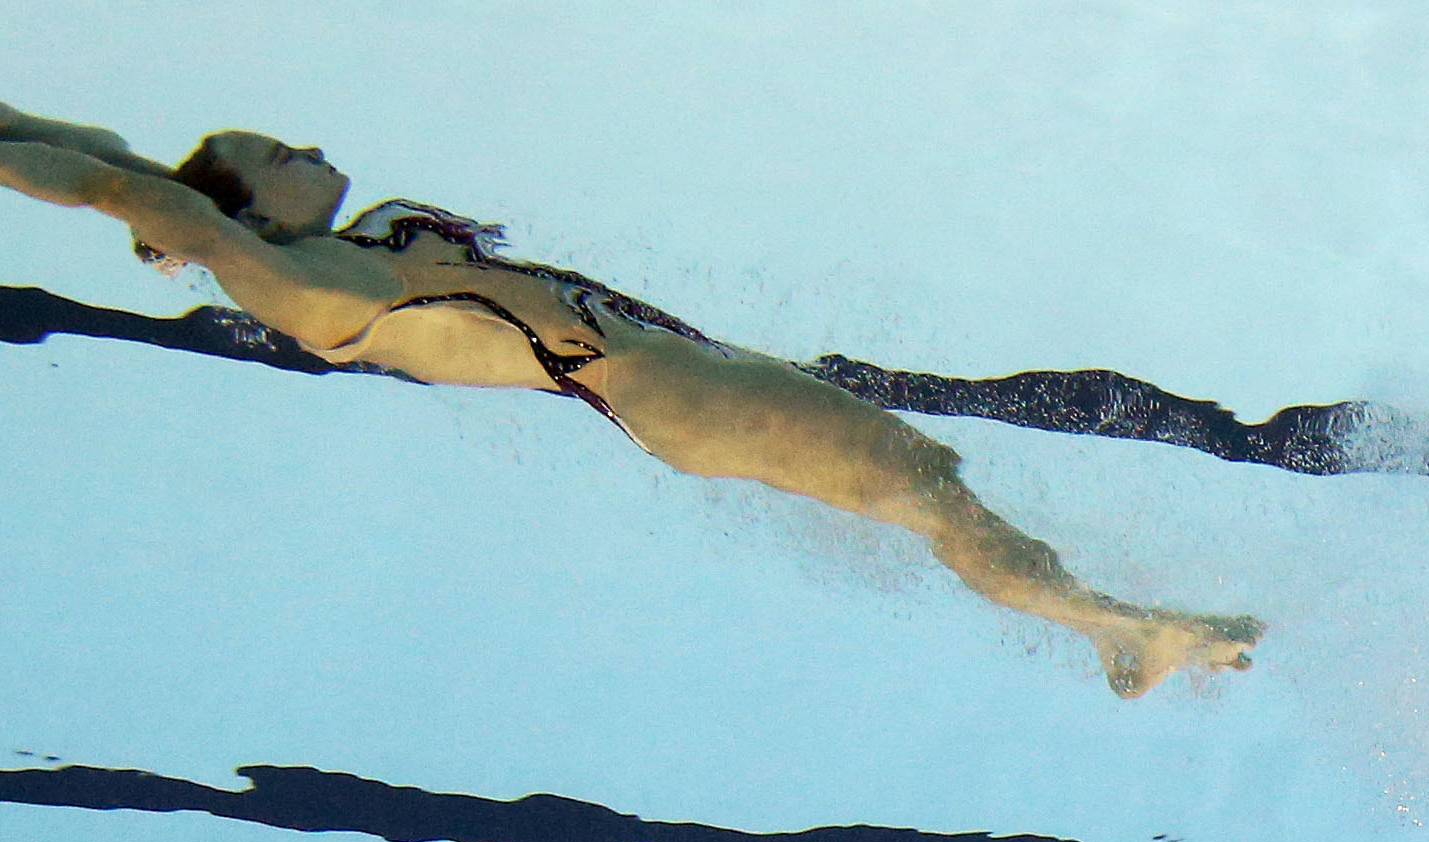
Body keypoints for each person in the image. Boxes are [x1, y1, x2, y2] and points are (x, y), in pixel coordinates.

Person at [0, 105, 1263, 698]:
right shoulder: (307, 286)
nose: (304, 142)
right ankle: (1111, 624)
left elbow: (114, 158)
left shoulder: (348, 245)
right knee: (929, 491)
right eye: (276, 151)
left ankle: (1110, 623)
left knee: (926, 485)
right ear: (245, 211)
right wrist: (149, 205)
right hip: (670, 394)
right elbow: (142, 199)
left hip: (681, 382)